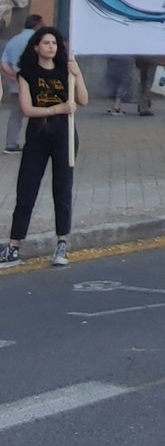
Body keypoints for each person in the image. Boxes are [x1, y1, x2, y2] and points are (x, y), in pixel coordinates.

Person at [0, 26, 89, 268]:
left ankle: (62, 243)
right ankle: (14, 245)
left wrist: (78, 75)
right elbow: (27, 109)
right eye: (46, 43)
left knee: (62, 189)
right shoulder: (27, 73)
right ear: (37, 46)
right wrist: (56, 108)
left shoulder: (65, 71)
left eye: (54, 43)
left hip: (64, 135)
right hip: (38, 135)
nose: (51, 47)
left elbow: (83, 100)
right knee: (26, 188)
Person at [0, 13, 42, 153]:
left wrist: (12, 74)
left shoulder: (14, 40)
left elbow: (3, 62)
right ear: (38, 25)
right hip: (35, 82)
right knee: (38, 113)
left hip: (16, 83)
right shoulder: (37, 39)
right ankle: (36, 143)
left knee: (16, 115)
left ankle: (11, 144)